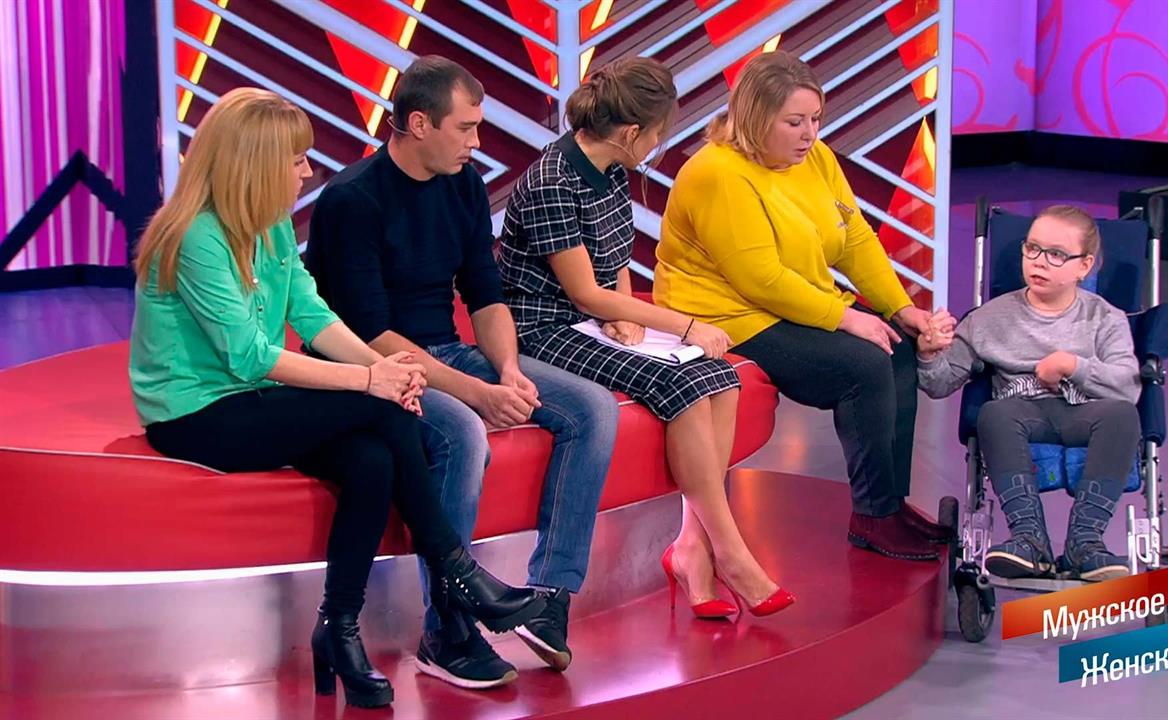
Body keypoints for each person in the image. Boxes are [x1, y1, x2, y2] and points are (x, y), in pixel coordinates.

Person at [129, 88, 543, 709]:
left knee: (371, 460)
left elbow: (313, 315)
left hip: (253, 396)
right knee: (379, 410)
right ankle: (458, 572)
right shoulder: (196, 237)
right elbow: (250, 355)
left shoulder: (268, 224)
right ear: (255, 164)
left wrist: (385, 368)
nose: (306, 172)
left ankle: (339, 630)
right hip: (195, 413)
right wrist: (372, 383)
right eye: (296, 159)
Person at [306, 56, 618, 686]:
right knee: (463, 434)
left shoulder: (464, 185)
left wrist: (506, 368)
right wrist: (476, 392)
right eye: (466, 127)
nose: (477, 142)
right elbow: (369, 333)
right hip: (373, 364)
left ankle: (549, 601)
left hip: (446, 352)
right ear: (419, 123)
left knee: (593, 409)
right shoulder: (351, 200)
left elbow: (484, 293)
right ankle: (447, 631)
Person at [498, 58, 794, 620]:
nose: (660, 144)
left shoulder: (611, 166)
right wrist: (681, 324)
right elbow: (583, 293)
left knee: (719, 377)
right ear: (632, 132)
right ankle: (731, 554)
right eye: (658, 134)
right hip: (543, 328)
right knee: (682, 384)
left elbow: (614, 259)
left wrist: (627, 313)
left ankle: (692, 548)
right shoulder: (552, 181)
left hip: (592, 319)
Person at [656, 51, 947, 562]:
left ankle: (888, 505)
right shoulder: (718, 173)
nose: (809, 134)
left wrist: (900, 308)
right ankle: (873, 516)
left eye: (815, 119)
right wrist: (846, 317)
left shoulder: (815, 158)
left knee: (897, 346)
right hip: (726, 315)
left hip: (785, 301)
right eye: (794, 122)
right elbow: (761, 279)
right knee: (863, 364)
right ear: (755, 119)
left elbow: (854, 238)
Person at [917, 205, 1140, 582]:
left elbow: (1127, 385)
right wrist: (927, 354)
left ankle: (1085, 542)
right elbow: (939, 383)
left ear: (1084, 266)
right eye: (1032, 248)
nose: (1039, 261)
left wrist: (1071, 365)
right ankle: (1029, 540)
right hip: (1021, 414)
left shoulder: (1105, 318)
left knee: (1123, 416)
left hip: (1085, 413)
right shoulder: (989, 318)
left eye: (1056, 254)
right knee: (993, 412)